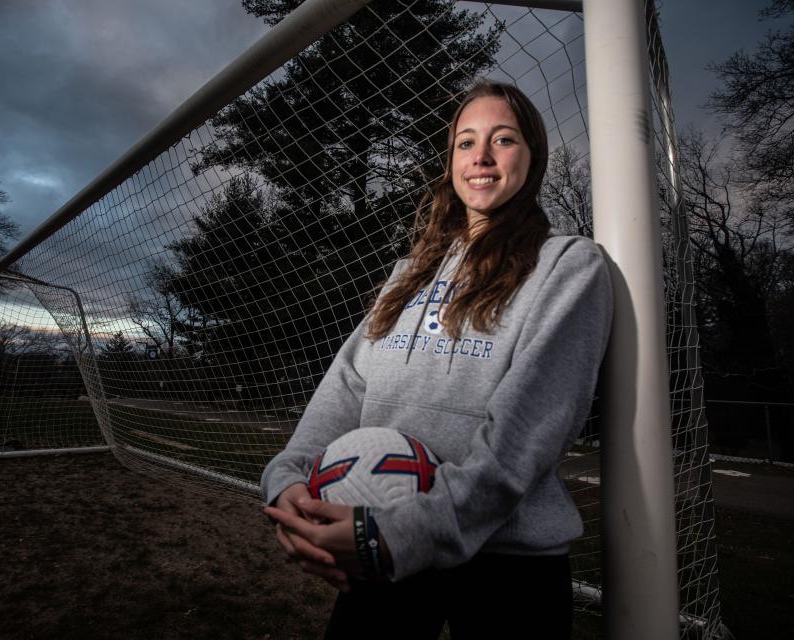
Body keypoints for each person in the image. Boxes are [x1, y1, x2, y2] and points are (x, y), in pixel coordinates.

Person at [261, 79, 613, 639]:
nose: (481, 156)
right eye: (465, 142)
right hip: (378, 537)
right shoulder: (409, 274)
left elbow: (527, 430)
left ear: (533, 157)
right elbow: (347, 386)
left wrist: (404, 534)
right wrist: (289, 482)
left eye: (504, 140)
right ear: (450, 160)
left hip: (508, 561)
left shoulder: (568, 266)